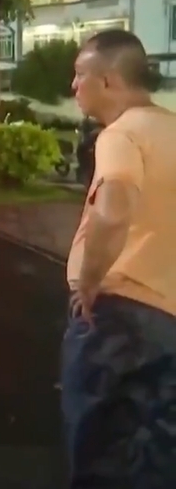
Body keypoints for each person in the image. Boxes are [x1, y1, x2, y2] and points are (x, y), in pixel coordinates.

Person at [64, 29, 176, 487]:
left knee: (99, 448)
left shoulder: (122, 134)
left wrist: (89, 282)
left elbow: (113, 211)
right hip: (169, 321)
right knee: (157, 457)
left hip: (117, 316)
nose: (74, 85)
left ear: (108, 80)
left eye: (80, 74)